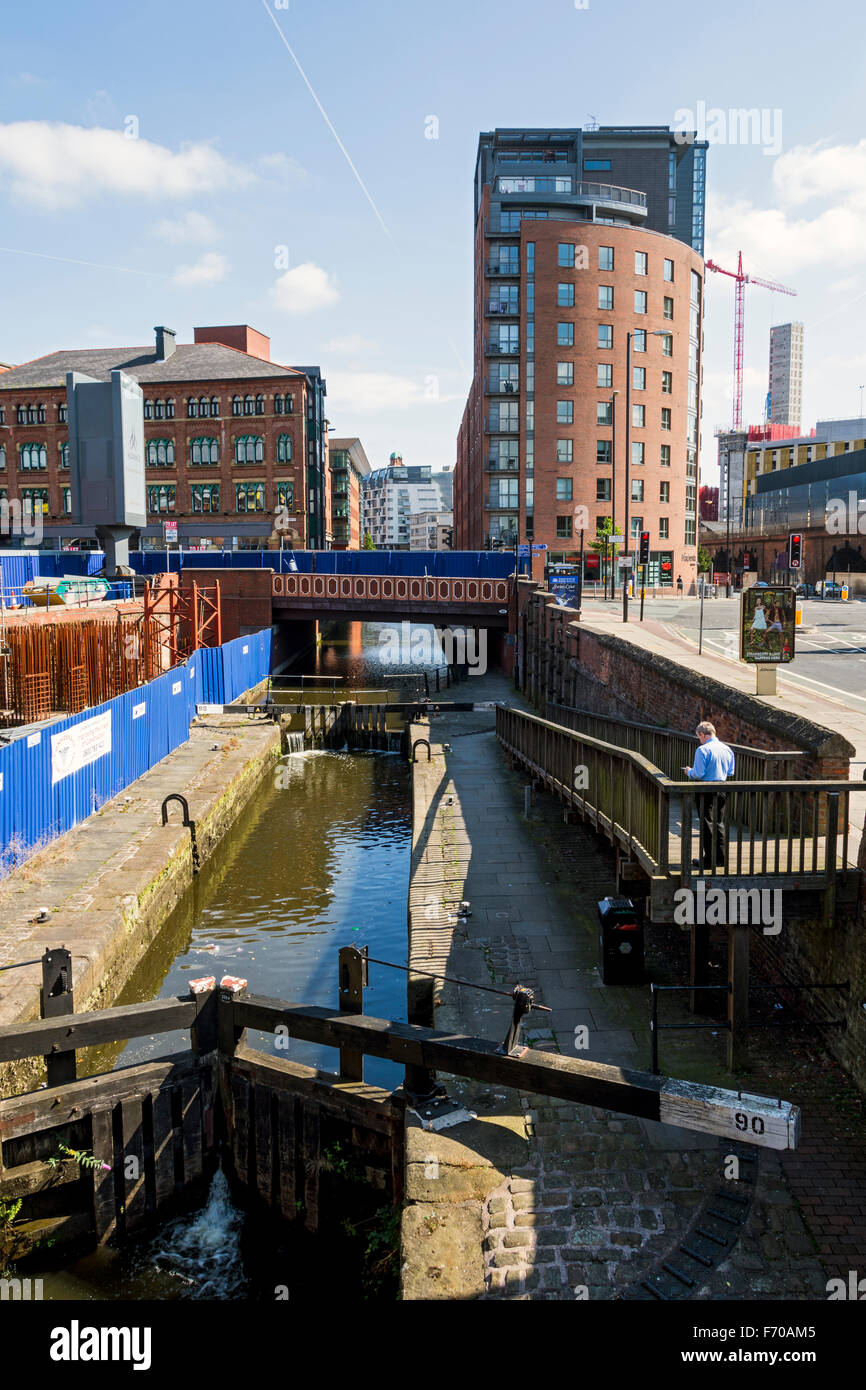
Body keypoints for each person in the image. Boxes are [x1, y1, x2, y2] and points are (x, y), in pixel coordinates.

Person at [683, 721, 735, 871]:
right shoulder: (727, 749)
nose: (699, 740)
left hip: (705, 788)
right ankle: (721, 858)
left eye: (699, 737)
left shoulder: (702, 750)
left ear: (702, 734)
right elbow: (730, 772)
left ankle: (708, 860)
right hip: (722, 788)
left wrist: (689, 771)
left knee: (706, 823)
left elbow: (698, 773)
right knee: (719, 823)